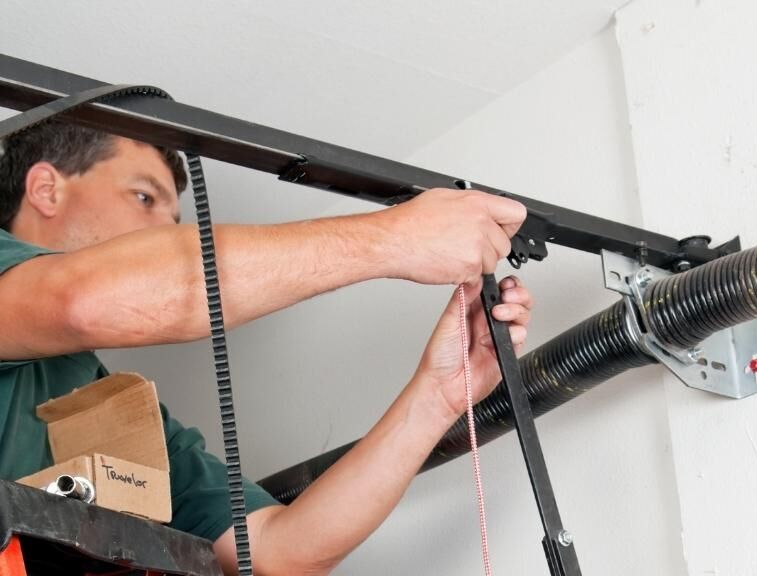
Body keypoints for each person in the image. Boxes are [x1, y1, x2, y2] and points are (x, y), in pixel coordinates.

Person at [0, 121, 533, 575]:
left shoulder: (116, 412)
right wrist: (396, 237)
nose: (162, 227)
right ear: (47, 189)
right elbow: (84, 300)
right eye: (144, 198)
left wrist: (439, 394)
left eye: (173, 221)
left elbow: (280, 552)